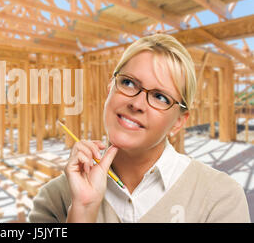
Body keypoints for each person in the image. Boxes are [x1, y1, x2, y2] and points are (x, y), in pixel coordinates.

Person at [28, 34, 250, 223]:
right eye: (128, 83)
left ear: (179, 122)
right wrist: (82, 212)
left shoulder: (220, 198)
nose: (136, 103)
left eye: (160, 97)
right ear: (109, 90)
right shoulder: (55, 198)